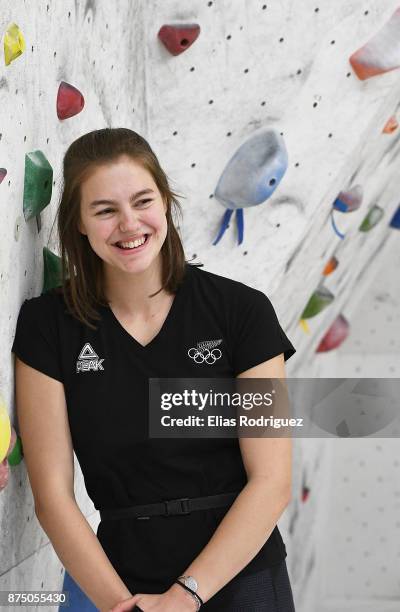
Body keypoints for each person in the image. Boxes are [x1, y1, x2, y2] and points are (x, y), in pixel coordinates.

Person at [11, 128, 297, 611]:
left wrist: (186, 596)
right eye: (104, 210)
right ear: (79, 222)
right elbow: (52, 496)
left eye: (142, 201)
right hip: (124, 583)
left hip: (242, 575)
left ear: (165, 202)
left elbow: (273, 482)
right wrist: (123, 605)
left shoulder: (244, 312)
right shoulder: (47, 329)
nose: (129, 224)